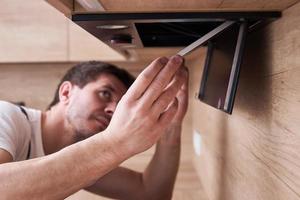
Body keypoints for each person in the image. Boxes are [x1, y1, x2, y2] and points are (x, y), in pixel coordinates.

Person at [0, 55, 188, 199]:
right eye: (105, 93)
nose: (114, 110)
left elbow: (150, 194)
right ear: (66, 93)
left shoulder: (82, 158)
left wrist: (170, 127)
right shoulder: (6, 115)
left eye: (120, 106)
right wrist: (116, 144)